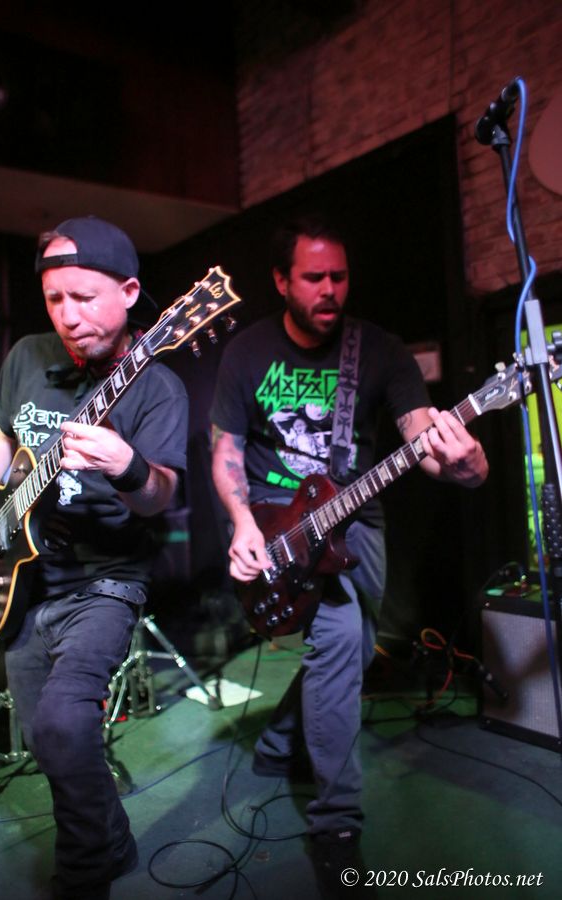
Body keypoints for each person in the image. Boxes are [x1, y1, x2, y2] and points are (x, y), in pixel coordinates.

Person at [210, 214, 488, 873]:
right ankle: (336, 826)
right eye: (314, 277)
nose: (330, 289)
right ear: (282, 281)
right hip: (272, 517)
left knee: (356, 649)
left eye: (339, 276)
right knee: (337, 640)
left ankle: (278, 744)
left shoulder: (379, 350)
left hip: (354, 517)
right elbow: (226, 450)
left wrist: (467, 462)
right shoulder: (248, 351)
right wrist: (242, 521)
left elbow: (420, 436)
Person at [0, 216, 188, 900]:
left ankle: (86, 871)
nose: (67, 315)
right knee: (42, 735)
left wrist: (127, 467)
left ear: (129, 292)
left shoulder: (156, 388)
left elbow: (160, 496)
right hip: (26, 577)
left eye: (84, 298)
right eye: (55, 298)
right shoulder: (27, 355)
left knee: (64, 723)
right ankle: (111, 841)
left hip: (106, 581)